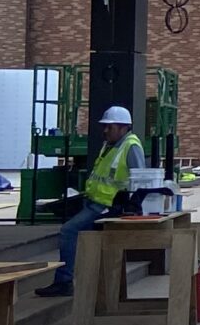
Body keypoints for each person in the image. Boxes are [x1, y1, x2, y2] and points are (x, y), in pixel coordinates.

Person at [38, 104, 142, 297]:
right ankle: (73, 277)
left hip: (107, 206)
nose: (105, 130)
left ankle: (64, 281)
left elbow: (140, 180)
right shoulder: (110, 146)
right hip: (95, 202)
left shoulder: (130, 147)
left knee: (69, 231)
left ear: (122, 127)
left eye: (109, 127)